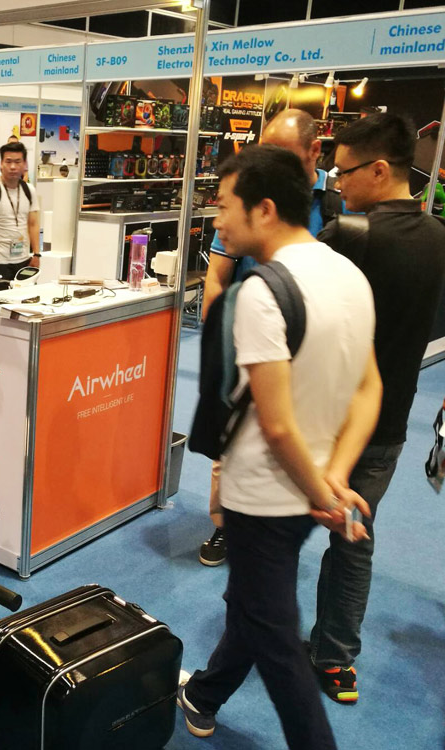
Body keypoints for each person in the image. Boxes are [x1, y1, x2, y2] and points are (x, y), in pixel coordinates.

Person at [175, 145, 380, 749]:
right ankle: (205, 693)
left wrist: (326, 495)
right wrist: (334, 477)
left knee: (277, 642)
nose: (218, 221)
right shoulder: (349, 274)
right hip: (305, 491)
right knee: (254, 604)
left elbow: (277, 425)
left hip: (264, 494)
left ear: (264, 209)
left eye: (224, 206)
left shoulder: (263, 292)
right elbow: (370, 388)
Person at [305, 113, 445, 703]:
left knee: (270, 533)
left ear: (380, 170)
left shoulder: (349, 233)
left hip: (324, 421)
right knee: (354, 537)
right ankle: (337, 659)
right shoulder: (439, 237)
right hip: (389, 423)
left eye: (344, 172)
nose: (337, 183)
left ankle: (248, 649)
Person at [197, 108, 344, 567]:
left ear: (314, 151)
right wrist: (219, 344)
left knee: (290, 435)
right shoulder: (246, 198)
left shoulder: (336, 204)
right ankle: (224, 524)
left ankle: (284, 526)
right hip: (248, 340)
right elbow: (217, 277)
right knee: (234, 436)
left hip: (307, 350)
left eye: (283, 153)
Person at [0, 141, 40, 291]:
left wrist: (36, 254)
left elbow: (33, 224)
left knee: (24, 301)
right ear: (1, 164)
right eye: (8, 161)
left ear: (24, 164)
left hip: (23, 260)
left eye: (17, 162)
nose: (12, 167)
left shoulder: (29, 190)